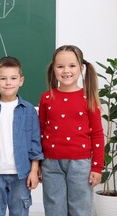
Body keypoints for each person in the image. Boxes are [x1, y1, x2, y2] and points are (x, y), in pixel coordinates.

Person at [38, 45, 104, 216]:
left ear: (81, 68)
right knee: (54, 208)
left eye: (72, 66)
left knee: (80, 208)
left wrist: (97, 167)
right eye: (60, 66)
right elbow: (40, 131)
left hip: (81, 164)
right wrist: (37, 163)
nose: (66, 71)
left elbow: (97, 134)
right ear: (53, 69)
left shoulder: (88, 97)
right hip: (50, 163)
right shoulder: (46, 97)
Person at [0, 56, 43, 216]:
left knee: (19, 212)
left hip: (21, 173)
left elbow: (35, 143)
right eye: (3, 78)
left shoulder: (29, 110)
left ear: (21, 80)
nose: (8, 82)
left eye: (13, 78)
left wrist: (34, 170)